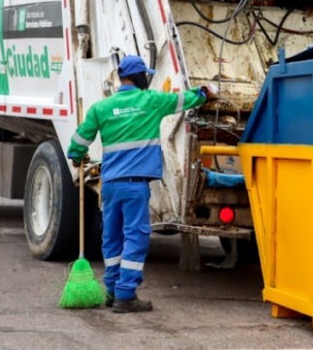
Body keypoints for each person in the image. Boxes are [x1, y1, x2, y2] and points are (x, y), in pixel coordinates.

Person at [67, 55, 213, 313]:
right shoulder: (151, 101)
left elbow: (79, 141)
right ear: (139, 77)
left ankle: (112, 289)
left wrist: (78, 156)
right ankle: (126, 295)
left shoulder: (102, 108)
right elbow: (185, 100)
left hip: (110, 185)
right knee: (135, 236)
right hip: (135, 186)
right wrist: (203, 93)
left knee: (111, 236)